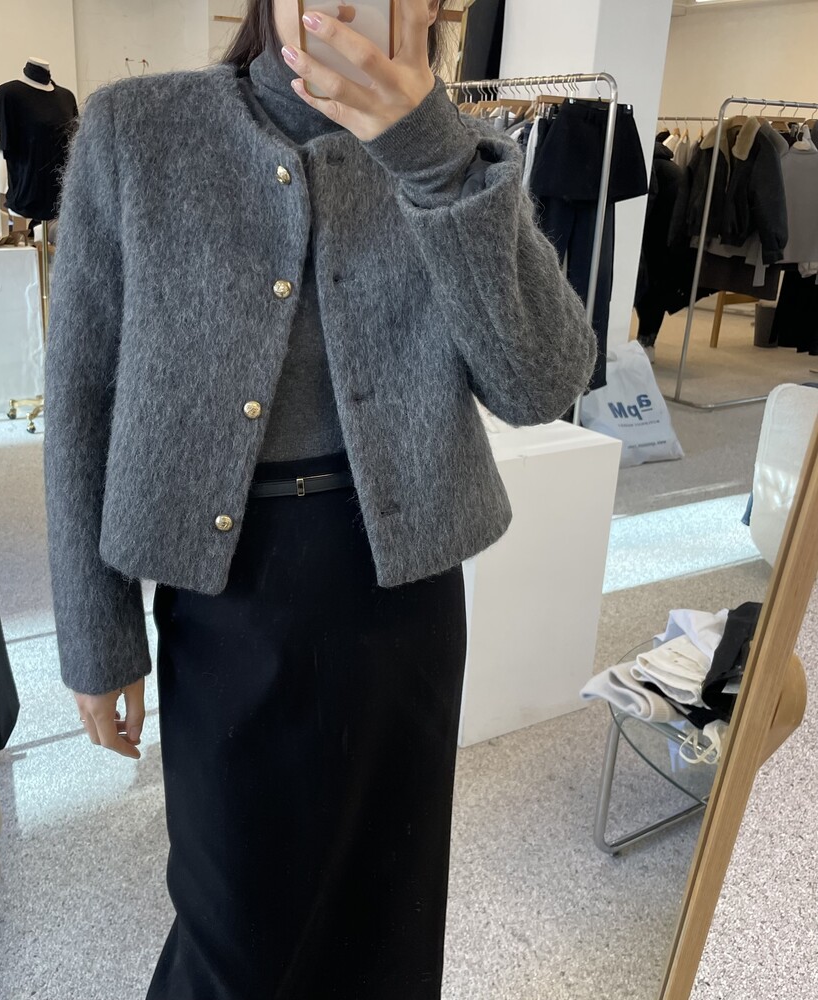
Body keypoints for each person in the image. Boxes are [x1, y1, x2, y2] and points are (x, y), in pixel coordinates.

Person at [44, 2, 597, 997]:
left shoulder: (457, 150)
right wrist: (97, 631)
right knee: (232, 939)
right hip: (226, 590)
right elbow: (82, 393)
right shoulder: (137, 131)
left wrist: (430, 155)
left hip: (402, 593)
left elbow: (543, 382)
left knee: (386, 925)